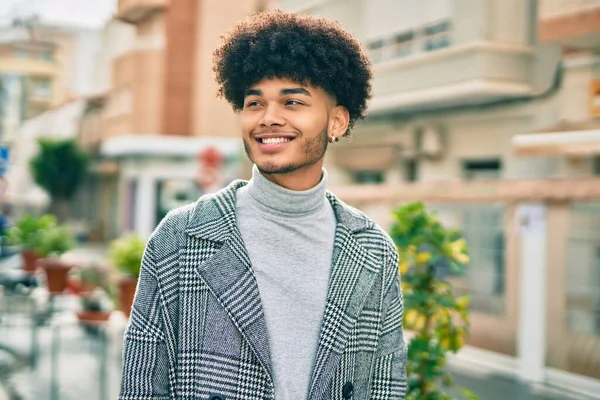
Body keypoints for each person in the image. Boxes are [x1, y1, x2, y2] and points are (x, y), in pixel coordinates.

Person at [119, 10, 406, 400]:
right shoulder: (181, 237)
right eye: (255, 103)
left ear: (336, 122)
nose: (269, 118)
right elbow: (141, 387)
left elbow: (385, 387)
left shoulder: (373, 251)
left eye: (292, 101)